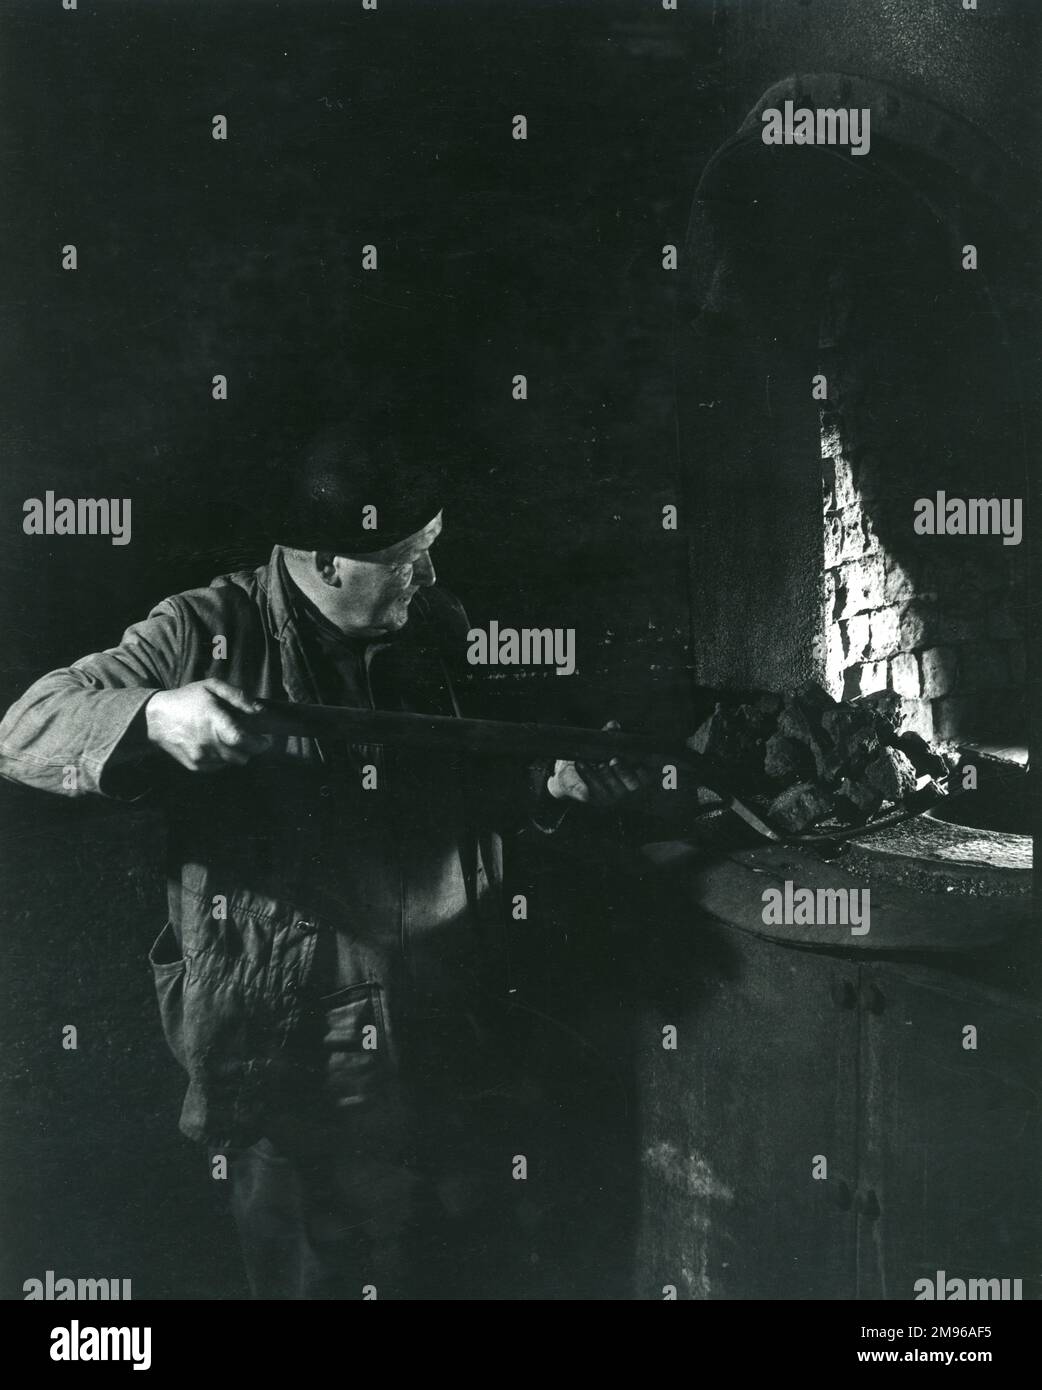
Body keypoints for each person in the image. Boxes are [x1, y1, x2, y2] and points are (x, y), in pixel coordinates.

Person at [0, 426, 648, 1300]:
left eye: (433, 552)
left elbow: (481, 796)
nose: (430, 578)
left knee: (466, 1265)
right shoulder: (208, 628)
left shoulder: (437, 632)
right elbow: (27, 726)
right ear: (329, 562)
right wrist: (156, 714)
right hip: (302, 1041)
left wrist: (552, 790)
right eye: (409, 559)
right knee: (320, 1276)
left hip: (455, 1023)